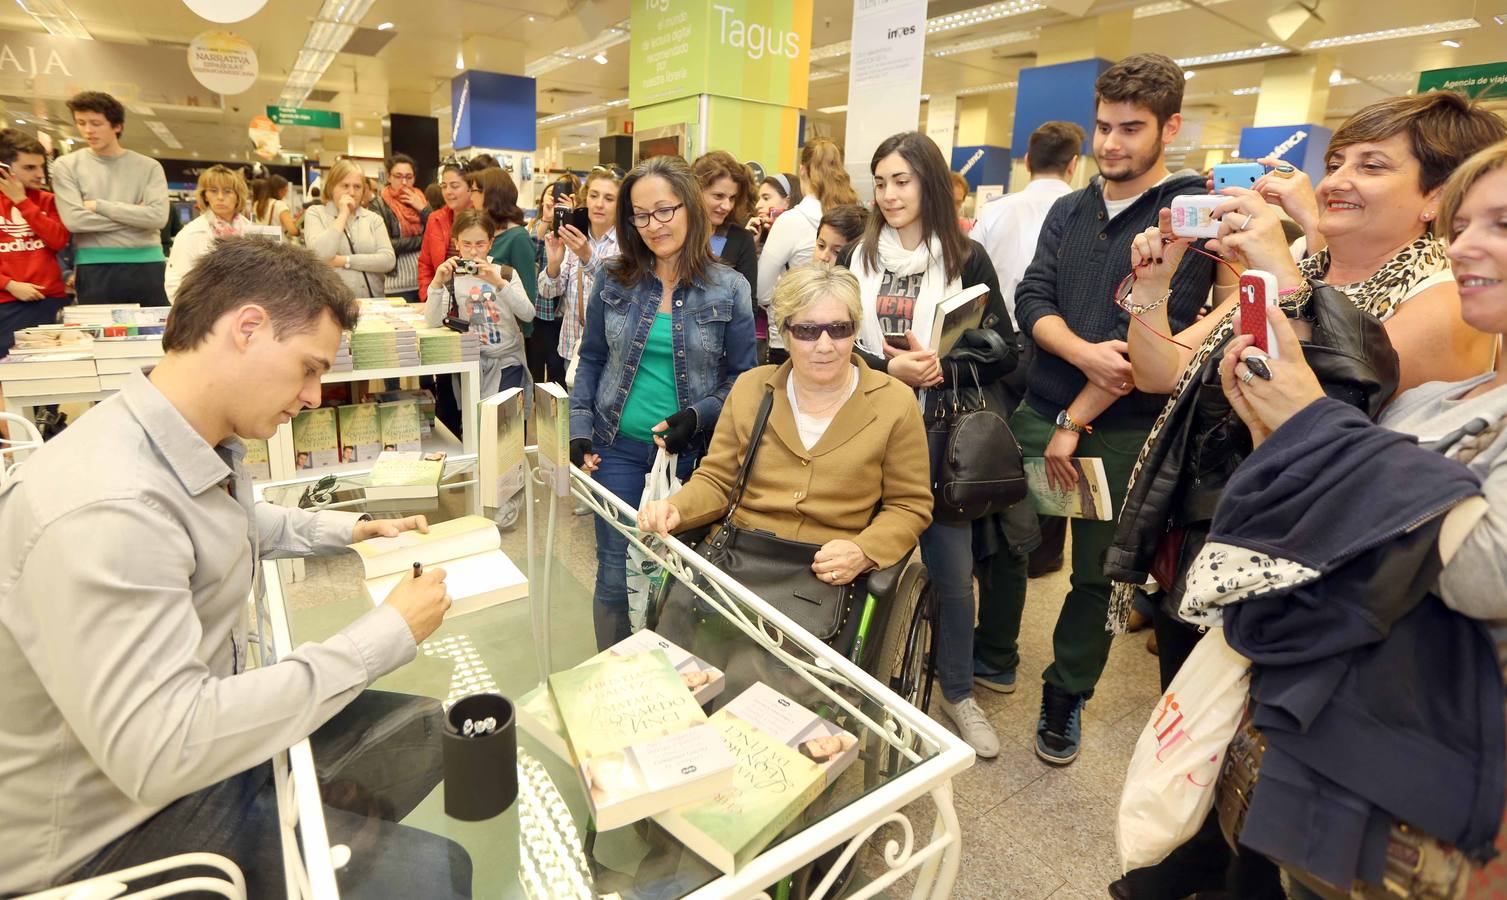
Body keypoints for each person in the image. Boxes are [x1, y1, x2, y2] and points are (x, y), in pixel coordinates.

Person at [1107, 92, 1507, 900]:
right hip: (1217, 544)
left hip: (1315, 594)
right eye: (1335, 161)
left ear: (1430, 195)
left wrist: (1282, 269)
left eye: (1372, 164)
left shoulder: (1434, 303)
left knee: (1273, 814)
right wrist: (1154, 287)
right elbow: (1162, 372)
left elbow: (1329, 418)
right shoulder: (1306, 270)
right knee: (1216, 757)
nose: (1337, 179)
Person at [0, 236, 465, 897]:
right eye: (307, 368)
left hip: (160, 764)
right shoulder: (107, 507)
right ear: (246, 328)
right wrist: (383, 635)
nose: (312, 396)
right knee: (434, 875)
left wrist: (350, 530)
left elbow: (233, 523)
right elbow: (164, 749)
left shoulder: (174, 436)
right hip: (101, 839)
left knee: (421, 730)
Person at [975, 53, 1234, 767]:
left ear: (1168, 127)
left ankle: (1067, 693)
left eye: (1131, 128)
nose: (1112, 143)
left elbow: (1152, 341)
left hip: (1119, 430)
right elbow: (1031, 301)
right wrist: (1080, 356)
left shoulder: (1184, 216)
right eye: (1103, 127)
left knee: (1096, 574)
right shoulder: (1069, 207)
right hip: (1043, 403)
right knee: (1003, 541)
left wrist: (1078, 411)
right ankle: (990, 653)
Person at [637, 263, 932, 654]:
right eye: (808, 331)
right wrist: (677, 508)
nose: (825, 345)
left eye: (839, 329)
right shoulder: (752, 389)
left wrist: (864, 551)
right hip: (738, 562)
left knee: (772, 700)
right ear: (785, 332)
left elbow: (909, 505)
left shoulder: (893, 402)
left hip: (825, 579)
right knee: (675, 672)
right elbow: (717, 479)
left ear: (855, 331)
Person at [835, 131, 1014, 758]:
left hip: (939, 439)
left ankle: (958, 692)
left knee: (953, 574)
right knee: (856, 559)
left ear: (929, 183)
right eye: (880, 182)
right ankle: (851, 677)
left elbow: (1006, 352)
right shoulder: (857, 259)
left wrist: (943, 364)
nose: (889, 194)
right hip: (862, 429)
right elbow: (825, 345)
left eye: (901, 180)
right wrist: (886, 371)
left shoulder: (967, 257)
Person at [570, 155, 756, 649]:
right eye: (640, 215)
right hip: (618, 451)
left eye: (665, 210)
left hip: (694, 460)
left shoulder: (730, 287)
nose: (654, 225)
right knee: (613, 573)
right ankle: (614, 679)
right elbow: (590, 360)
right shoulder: (614, 278)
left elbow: (744, 379)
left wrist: (697, 417)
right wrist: (578, 428)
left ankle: (673, 687)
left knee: (678, 579)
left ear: (691, 209)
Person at [51, 91, 169, 306]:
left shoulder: (149, 166)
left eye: (96, 123)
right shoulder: (66, 166)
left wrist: (98, 206)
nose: (88, 130)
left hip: (148, 263)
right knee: (98, 336)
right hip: (94, 266)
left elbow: (158, 218)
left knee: (154, 335)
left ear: (117, 126)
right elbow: (75, 221)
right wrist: (136, 214)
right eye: (81, 123)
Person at [971, 121, 1084, 330]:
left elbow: (968, 275)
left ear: (1027, 162)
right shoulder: (1086, 214)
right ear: (1073, 164)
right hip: (1062, 344)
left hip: (995, 338)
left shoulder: (994, 210)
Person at [758, 139, 859, 365]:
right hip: (842, 338)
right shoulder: (854, 214)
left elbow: (763, 290)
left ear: (802, 170)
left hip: (792, 341)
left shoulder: (791, 221)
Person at [423, 209, 533, 398]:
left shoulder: (506, 273)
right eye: (466, 244)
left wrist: (498, 282)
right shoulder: (453, 278)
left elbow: (528, 314)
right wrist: (437, 283)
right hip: (471, 362)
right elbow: (432, 321)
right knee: (474, 422)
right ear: (456, 243)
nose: (473, 251)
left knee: (502, 422)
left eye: (480, 244)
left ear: (491, 243)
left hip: (507, 360)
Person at [539, 167, 621, 379]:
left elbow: (618, 291)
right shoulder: (574, 235)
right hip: (572, 348)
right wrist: (554, 265)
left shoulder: (627, 243)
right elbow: (548, 292)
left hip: (611, 354)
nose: (599, 204)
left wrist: (586, 255)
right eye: (594, 195)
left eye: (609, 198)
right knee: (575, 411)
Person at [0, 129, 69, 358]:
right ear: (5, 169)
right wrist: (9, 284)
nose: (40, 174)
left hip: (49, 301)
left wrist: (21, 202)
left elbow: (58, 240)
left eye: (42, 167)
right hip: (7, 302)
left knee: (49, 376)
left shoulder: (48, 201)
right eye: (30, 168)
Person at [302, 158, 396, 299]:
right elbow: (320, 255)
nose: (351, 192)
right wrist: (343, 214)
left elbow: (388, 260)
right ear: (331, 187)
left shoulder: (373, 219)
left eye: (357, 187)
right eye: (345, 186)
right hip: (331, 303)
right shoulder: (316, 213)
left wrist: (344, 261)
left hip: (373, 303)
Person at [164, 166, 251, 302]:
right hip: (205, 310)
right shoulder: (190, 233)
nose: (220, 197)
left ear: (238, 196)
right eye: (213, 191)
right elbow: (175, 283)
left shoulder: (252, 231)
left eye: (228, 191)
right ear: (205, 196)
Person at [527, 174, 580, 383]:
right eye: (552, 194)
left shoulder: (577, 226)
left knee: (559, 373)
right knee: (537, 369)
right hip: (540, 312)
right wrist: (548, 219)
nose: (556, 199)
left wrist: (572, 215)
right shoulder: (535, 224)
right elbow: (531, 253)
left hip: (563, 315)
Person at [466, 167, 537, 320]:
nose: (470, 197)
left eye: (473, 191)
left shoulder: (518, 238)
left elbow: (528, 293)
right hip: (481, 322)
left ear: (489, 194)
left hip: (510, 329)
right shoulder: (484, 234)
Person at [692, 150, 759, 297]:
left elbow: (748, 304)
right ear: (695, 191)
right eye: (718, 196)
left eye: (732, 198)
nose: (727, 206)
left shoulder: (741, 240)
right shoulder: (676, 234)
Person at [372, 154, 430, 303]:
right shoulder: (379, 204)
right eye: (398, 176)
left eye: (409, 177)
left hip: (424, 280)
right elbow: (386, 245)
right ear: (389, 177)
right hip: (396, 283)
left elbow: (437, 233)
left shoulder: (421, 199)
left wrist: (423, 209)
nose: (404, 182)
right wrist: (423, 240)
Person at [418, 162, 470, 302]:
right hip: (440, 300)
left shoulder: (481, 220)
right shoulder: (435, 219)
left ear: (470, 188)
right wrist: (428, 297)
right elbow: (425, 264)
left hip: (472, 301)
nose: (448, 192)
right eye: (444, 186)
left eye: (454, 186)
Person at [746, 172, 797, 249]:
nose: (757, 206)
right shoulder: (754, 233)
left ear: (787, 202)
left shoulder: (796, 238)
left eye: (766, 198)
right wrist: (748, 245)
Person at [252, 174, 300, 240]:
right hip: (276, 245)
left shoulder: (256, 204)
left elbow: (253, 222)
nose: (286, 193)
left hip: (260, 243)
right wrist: (298, 232)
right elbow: (292, 231)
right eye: (285, 190)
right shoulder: (280, 205)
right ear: (280, 191)